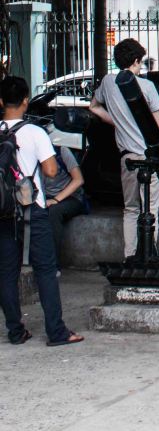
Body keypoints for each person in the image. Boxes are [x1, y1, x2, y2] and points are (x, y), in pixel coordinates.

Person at [0, 76, 83, 345]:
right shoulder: (35, 132)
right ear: (25, 101)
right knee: (46, 270)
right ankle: (56, 332)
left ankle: (15, 331)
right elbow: (50, 170)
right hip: (32, 210)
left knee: (6, 273)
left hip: (3, 212)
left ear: (1, 102)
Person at [89, 38, 159, 259]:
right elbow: (156, 127)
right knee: (150, 210)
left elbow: (93, 106)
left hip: (127, 158)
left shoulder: (109, 83)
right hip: (148, 156)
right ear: (137, 60)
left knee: (130, 209)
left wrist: (116, 121)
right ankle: (148, 255)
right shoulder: (147, 86)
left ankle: (130, 256)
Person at [44, 144, 86, 262]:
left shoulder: (61, 151)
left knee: (54, 211)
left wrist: (56, 200)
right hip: (43, 198)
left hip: (70, 197)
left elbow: (79, 180)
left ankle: (53, 264)